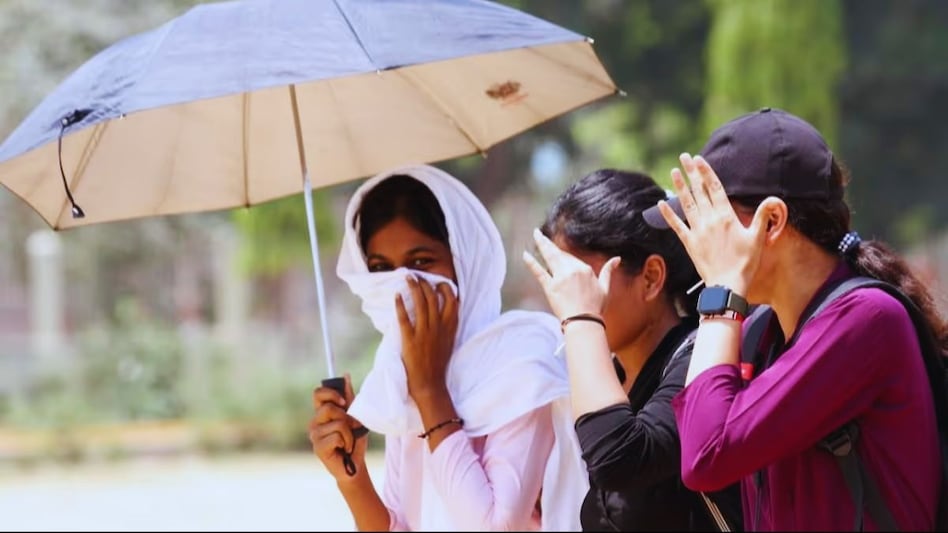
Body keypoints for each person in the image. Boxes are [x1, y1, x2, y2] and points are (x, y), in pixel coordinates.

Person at [647, 107, 946, 530]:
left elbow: (705, 456)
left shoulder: (865, 320)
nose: (698, 241)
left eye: (713, 221)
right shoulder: (757, 334)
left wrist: (721, 292)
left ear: (772, 222)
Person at [307, 164, 588, 531]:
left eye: (421, 262)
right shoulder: (397, 373)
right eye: (380, 268)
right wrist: (352, 477)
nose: (404, 283)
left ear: (464, 262)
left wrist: (430, 390)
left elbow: (493, 526)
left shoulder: (520, 362)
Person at [522, 168, 743, 531]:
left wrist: (581, 318)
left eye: (581, 280)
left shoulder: (701, 359)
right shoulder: (610, 375)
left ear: (652, 277)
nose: (568, 297)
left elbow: (620, 458)